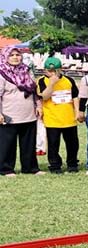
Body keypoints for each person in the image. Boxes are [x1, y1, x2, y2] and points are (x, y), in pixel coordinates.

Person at [0, 46, 44, 176]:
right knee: (7, 144)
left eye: (17, 55)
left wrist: (39, 106)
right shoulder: (2, 73)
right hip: (9, 115)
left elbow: (34, 90)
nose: (15, 57)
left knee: (29, 143)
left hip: (28, 113)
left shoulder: (26, 70)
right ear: (5, 57)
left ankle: (30, 168)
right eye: (11, 55)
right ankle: (6, 169)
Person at [37, 57, 80, 174]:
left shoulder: (69, 80)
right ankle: (55, 165)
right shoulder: (41, 81)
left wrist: (77, 112)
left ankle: (72, 164)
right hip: (52, 118)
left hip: (68, 117)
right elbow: (44, 97)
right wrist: (51, 84)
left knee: (72, 143)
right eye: (48, 70)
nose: (51, 73)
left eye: (54, 70)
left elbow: (75, 96)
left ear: (60, 69)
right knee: (53, 144)